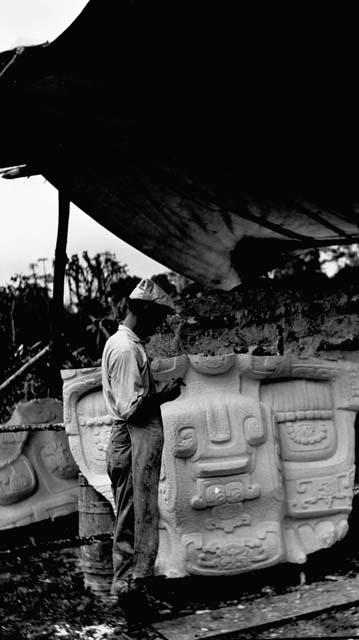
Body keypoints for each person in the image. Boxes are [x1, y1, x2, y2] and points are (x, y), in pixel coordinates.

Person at [101, 278, 183, 631]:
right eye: (157, 317)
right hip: (129, 440)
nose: (159, 325)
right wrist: (167, 395)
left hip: (135, 441)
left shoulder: (130, 345)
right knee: (131, 524)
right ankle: (129, 598)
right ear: (144, 310)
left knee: (140, 518)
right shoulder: (123, 349)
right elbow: (132, 408)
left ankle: (137, 595)